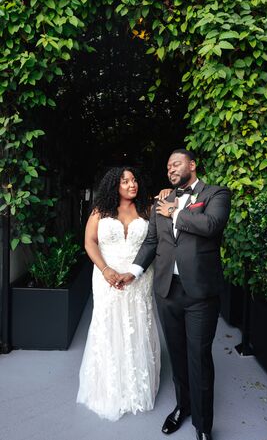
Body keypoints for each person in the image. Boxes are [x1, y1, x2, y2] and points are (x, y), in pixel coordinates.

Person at [117, 149, 231, 440]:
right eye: (167, 166)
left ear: (192, 165)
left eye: (176, 163)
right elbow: (152, 242)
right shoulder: (161, 200)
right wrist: (134, 271)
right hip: (167, 290)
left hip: (200, 293)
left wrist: (176, 212)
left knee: (199, 357)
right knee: (178, 354)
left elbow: (211, 226)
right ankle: (183, 406)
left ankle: (203, 426)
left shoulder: (216, 193)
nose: (171, 169)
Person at [77, 166, 162, 421]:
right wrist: (104, 269)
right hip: (106, 277)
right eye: (125, 181)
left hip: (139, 277)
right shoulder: (100, 211)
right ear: (115, 185)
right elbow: (89, 242)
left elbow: (153, 241)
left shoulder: (146, 209)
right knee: (109, 322)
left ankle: (137, 384)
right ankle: (110, 386)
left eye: (134, 180)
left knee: (138, 322)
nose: (131, 185)